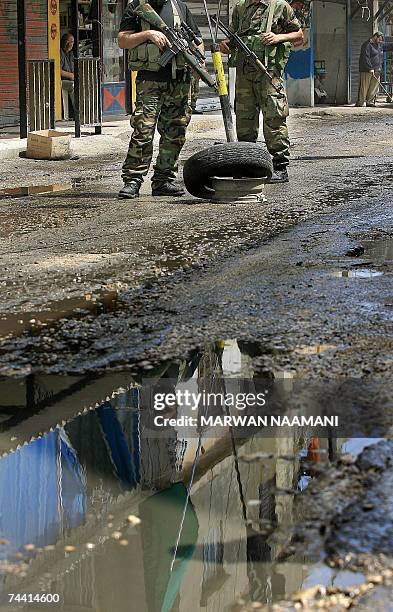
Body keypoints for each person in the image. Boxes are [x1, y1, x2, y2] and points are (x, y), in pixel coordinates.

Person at [117, 0, 203, 199]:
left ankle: (163, 180)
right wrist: (148, 34)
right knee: (143, 130)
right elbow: (122, 40)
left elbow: (197, 40)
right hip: (150, 81)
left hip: (179, 80)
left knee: (175, 131)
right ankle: (133, 180)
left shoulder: (180, 7)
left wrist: (198, 61)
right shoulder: (136, 6)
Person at [219, 0, 303, 183]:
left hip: (268, 72)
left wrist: (278, 38)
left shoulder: (280, 6)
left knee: (274, 116)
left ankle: (280, 166)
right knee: (244, 118)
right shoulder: (240, 8)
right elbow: (232, 38)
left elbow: (299, 34)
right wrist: (225, 45)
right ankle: (249, 163)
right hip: (244, 72)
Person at [357, 31, 392, 107]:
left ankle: (370, 101)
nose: (380, 41)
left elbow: (388, 46)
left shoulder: (379, 45)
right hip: (367, 70)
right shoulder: (367, 45)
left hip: (377, 69)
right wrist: (370, 68)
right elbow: (365, 57)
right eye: (379, 39)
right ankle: (361, 102)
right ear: (375, 37)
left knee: (373, 87)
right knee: (364, 87)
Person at [60, 32, 75, 112]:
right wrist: (71, 75)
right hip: (61, 81)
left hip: (69, 79)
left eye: (72, 42)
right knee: (73, 85)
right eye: (68, 41)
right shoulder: (60, 53)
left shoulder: (70, 54)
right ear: (63, 41)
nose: (70, 44)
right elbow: (57, 71)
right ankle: (78, 111)